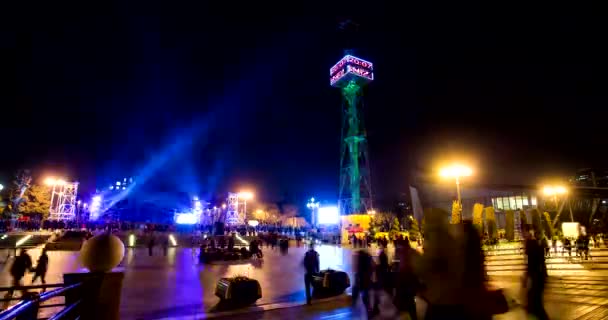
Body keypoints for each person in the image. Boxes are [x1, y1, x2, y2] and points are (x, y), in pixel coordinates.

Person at [524, 228, 548, 320]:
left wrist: (527, 275)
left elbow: (531, 264)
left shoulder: (532, 246)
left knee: (535, 304)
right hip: (538, 277)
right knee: (535, 303)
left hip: (536, 277)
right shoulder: (537, 246)